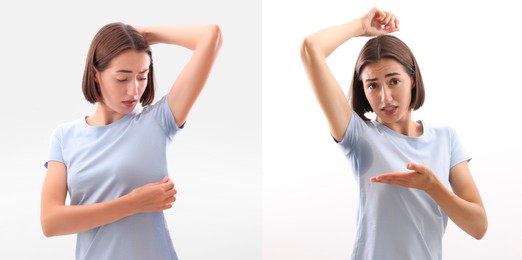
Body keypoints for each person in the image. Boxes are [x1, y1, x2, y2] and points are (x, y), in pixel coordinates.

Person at [300, 7, 487, 260]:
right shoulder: (358, 136)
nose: (385, 97)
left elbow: (478, 227)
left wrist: (433, 187)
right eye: (372, 85)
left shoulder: (446, 138)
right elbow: (311, 49)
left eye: (394, 81)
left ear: (412, 79)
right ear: (362, 89)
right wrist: (360, 27)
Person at [40, 22, 222, 260]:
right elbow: (51, 222)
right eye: (122, 79)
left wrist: (146, 35)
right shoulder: (64, 136)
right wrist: (133, 203)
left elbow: (211, 36)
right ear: (96, 75)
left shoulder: (159, 122)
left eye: (142, 77)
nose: (134, 91)